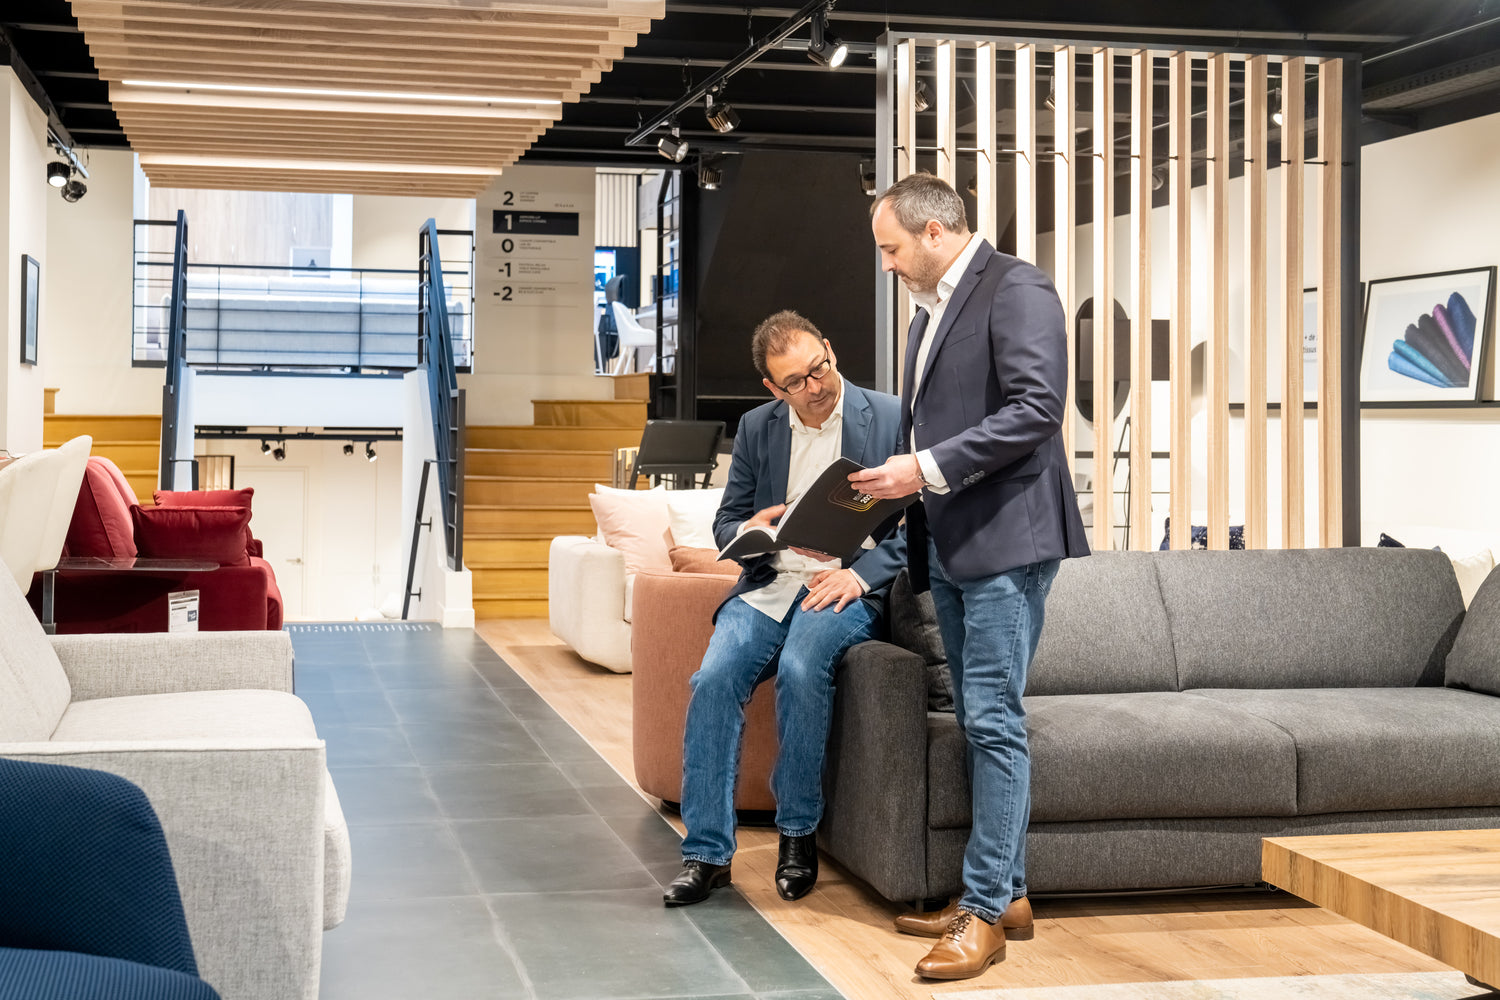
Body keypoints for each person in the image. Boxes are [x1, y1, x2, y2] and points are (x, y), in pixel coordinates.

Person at [851, 173, 1090, 980]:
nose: (885, 265)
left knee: (992, 722)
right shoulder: (932, 310)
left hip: (1006, 542)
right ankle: (1008, 893)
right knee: (980, 720)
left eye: (890, 248)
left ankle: (984, 912)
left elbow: (1035, 411)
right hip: (952, 541)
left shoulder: (1016, 287)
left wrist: (921, 468)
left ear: (933, 232)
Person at [664, 310, 906, 907]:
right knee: (714, 679)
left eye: (818, 368)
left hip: (843, 584)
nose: (815, 386)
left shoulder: (892, 416)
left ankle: (797, 835)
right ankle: (707, 853)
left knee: (802, 670)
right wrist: (750, 525)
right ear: (774, 389)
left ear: (829, 348)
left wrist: (861, 573)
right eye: (795, 382)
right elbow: (726, 521)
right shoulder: (757, 427)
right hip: (771, 582)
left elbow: (920, 525)